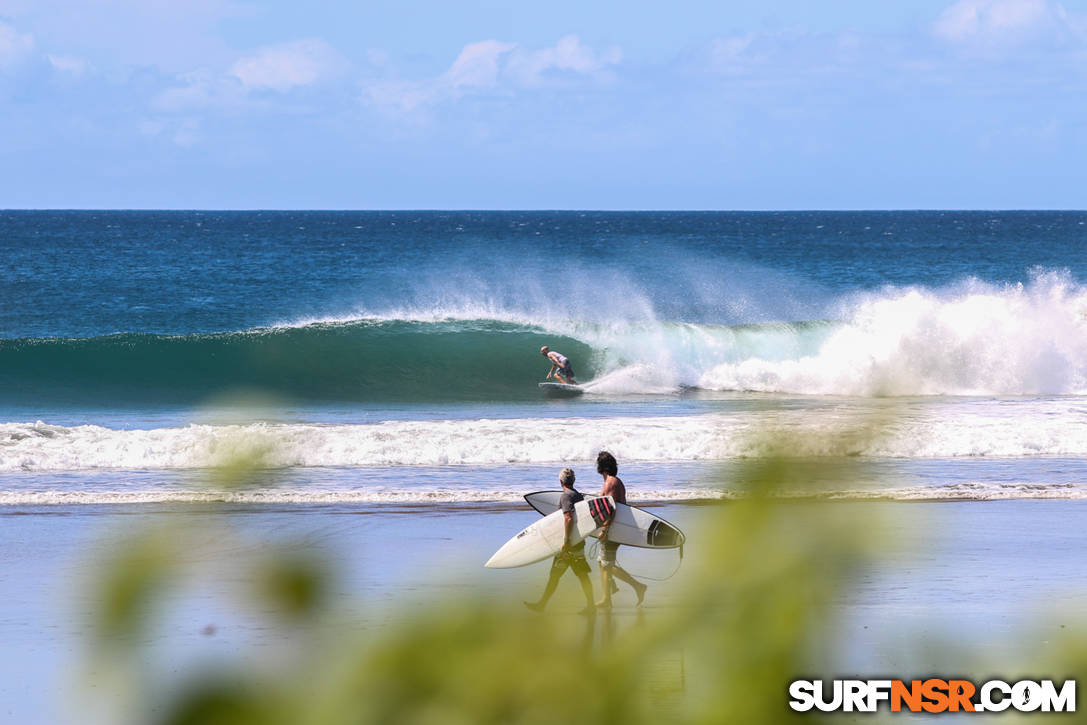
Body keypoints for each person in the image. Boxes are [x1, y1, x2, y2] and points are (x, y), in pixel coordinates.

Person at [524, 468, 596, 614]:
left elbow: (568, 518)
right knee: (582, 576)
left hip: (568, 546)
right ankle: (591, 606)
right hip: (578, 542)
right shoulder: (578, 496)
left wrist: (566, 541)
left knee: (556, 575)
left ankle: (542, 605)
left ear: (561, 481)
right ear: (573, 481)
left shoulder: (566, 497)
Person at [594, 451, 648, 609]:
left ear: (601, 466)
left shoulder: (611, 482)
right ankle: (609, 594)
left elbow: (611, 508)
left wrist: (604, 528)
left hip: (613, 529)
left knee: (606, 564)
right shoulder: (612, 481)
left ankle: (636, 587)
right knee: (602, 563)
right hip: (613, 527)